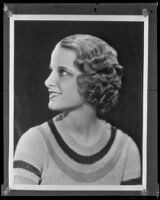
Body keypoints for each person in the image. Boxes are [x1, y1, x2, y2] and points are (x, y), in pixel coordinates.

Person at [13, 34, 141, 185]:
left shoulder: (125, 149)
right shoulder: (35, 142)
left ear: (93, 81)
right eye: (52, 70)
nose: (48, 81)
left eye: (63, 72)